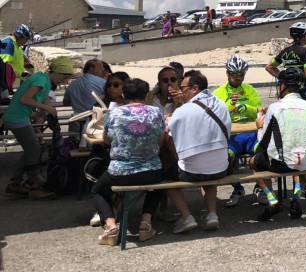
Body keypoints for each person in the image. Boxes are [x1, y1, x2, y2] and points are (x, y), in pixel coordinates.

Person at [91, 78, 165, 245]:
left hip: (121, 172)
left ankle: (110, 226)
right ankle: (145, 222)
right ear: (146, 95)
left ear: (124, 93)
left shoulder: (114, 113)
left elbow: (107, 139)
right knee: (159, 184)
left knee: (97, 191)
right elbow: (160, 138)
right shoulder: (156, 112)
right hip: (151, 170)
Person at [251, 67, 306, 220]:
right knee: (302, 158)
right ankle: (296, 197)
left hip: (280, 165)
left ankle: (272, 200)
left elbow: (263, 143)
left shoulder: (274, 108)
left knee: (253, 162)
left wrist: (259, 127)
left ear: (282, 86)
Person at [164, 70, 231, 234]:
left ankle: (187, 217)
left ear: (194, 88)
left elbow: (169, 133)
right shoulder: (220, 104)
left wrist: (168, 117)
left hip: (193, 172)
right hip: (221, 168)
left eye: (183, 87)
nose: (181, 90)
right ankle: (212, 214)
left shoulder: (183, 111)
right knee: (210, 163)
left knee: (165, 176)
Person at [5, 56, 76, 199]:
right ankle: (34, 186)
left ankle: (16, 183)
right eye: (64, 78)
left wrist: (43, 111)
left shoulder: (44, 80)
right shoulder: (41, 80)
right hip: (17, 118)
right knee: (35, 150)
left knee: (31, 149)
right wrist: (45, 108)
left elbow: (42, 101)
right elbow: (25, 99)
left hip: (20, 117)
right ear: (59, 73)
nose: (64, 82)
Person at [213, 54, 262, 207]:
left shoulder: (250, 90)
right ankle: (237, 188)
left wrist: (245, 108)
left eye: (241, 74)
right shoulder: (218, 93)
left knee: (262, 155)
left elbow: (258, 111)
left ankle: (261, 188)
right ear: (227, 73)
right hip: (230, 136)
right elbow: (215, 114)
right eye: (234, 74)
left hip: (250, 133)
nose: (238, 77)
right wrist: (229, 106)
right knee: (225, 159)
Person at [265, 22, 306, 100]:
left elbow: (269, 67)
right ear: (304, 36)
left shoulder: (285, 51)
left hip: (286, 92)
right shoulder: (305, 51)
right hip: (302, 92)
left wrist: (284, 77)